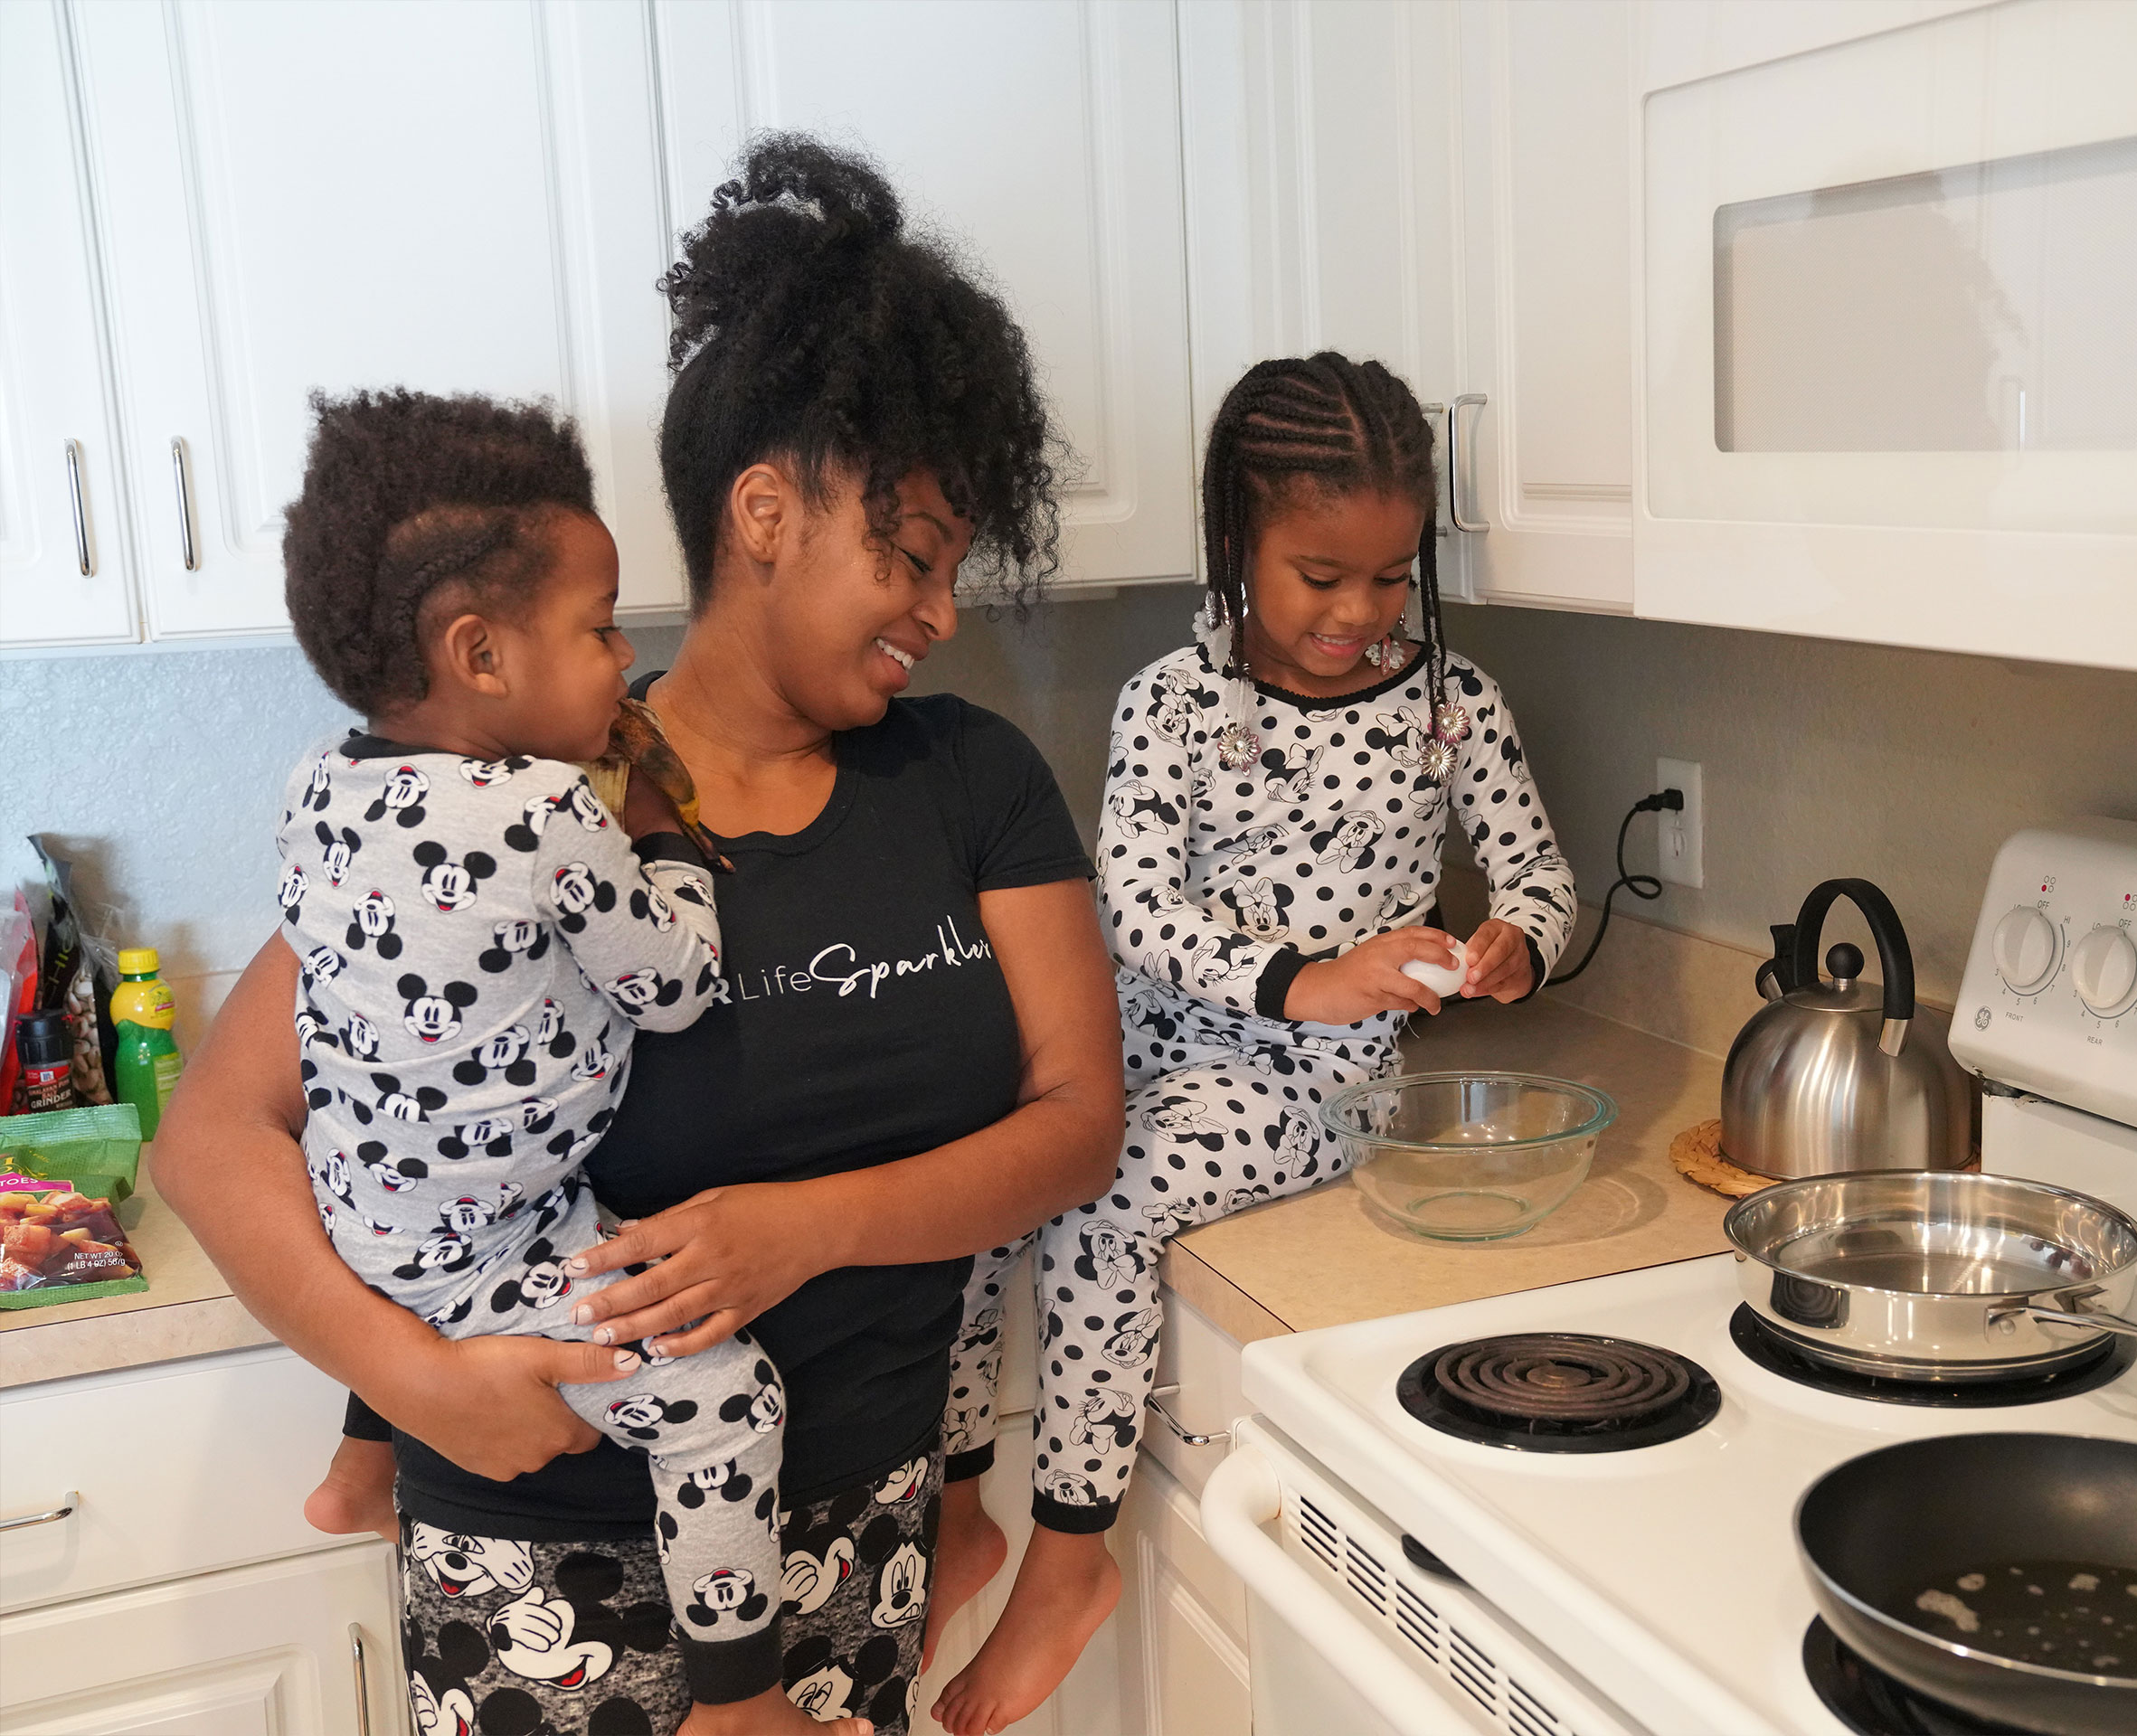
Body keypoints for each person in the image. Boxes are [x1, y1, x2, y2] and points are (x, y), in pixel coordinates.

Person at [156, 135, 1121, 1736]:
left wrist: (806, 1225)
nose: (940, 613)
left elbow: (1077, 1128)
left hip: (857, 1543)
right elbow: (213, 1136)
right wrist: (409, 1388)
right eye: (910, 556)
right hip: (544, 1559)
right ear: (766, 510)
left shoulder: (973, 782)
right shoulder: (523, 801)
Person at [930, 352, 1580, 1735]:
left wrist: (1517, 941)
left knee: (1098, 1198)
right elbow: (1139, 910)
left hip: (1314, 1088)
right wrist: (1308, 970)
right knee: (980, 1172)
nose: (1360, 612)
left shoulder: (1455, 708)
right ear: (1235, 544)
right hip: (1140, 1038)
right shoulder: (1169, 703)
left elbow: (1543, 881)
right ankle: (954, 1506)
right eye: (1321, 575)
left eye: (1392, 577)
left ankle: (1066, 1560)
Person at [269, 387, 825, 1731]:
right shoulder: (542, 812)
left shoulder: (316, 787)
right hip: (488, 1234)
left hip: (372, 1201)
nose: (621, 655)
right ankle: (738, 1703)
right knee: (726, 1398)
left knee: (435, 1194)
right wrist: (676, 850)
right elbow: (676, 989)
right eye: (595, 629)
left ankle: (359, 1469)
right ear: (478, 651)